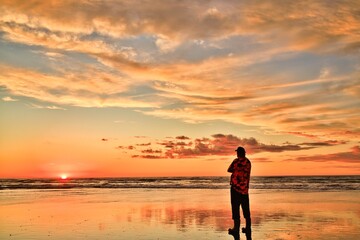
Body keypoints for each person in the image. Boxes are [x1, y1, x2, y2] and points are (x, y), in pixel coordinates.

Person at [227, 146, 251, 236]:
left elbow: (229, 169)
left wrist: (236, 170)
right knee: (245, 208)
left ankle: (236, 228)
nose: (237, 154)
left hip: (235, 188)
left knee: (235, 208)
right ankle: (247, 228)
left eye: (237, 152)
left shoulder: (236, 161)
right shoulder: (247, 162)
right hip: (244, 189)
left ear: (239, 153)